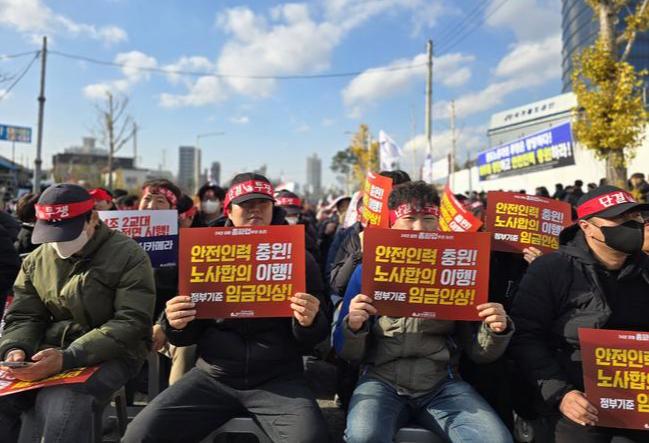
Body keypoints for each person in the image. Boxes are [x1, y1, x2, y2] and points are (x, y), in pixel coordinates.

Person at [124, 173, 330, 443]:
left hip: (280, 380)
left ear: (273, 208)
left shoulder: (300, 257)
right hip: (213, 376)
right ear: (229, 211)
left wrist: (310, 321)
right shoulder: (203, 252)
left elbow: (317, 337)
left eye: (263, 204)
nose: (255, 210)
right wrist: (176, 323)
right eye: (246, 204)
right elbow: (187, 335)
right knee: (138, 435)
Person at [333, 181, 514, 443]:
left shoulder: (460, 269)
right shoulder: (367, 270)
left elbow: (479, 353)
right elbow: (346, 351)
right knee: (363, 436)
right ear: (392, 223)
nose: (419, 228)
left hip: (442, 384)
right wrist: (353, 327)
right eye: (409, 219)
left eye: (428, 219)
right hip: (380, 381)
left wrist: (495, 330)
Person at [0, 184, 155, 442]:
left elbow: (131, 321)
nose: (59, 243)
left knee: (62, 403)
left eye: (67, 233)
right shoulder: (37, 260)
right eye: (52, 235)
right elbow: (25, 315)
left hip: (113, 353)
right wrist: (16, 349)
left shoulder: (128, 255)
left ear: (92, 219)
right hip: (47, 352)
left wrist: (68, 358)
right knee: (5, 398)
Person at [510, 185, 649, 443]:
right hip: (576, 400)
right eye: (619, 218)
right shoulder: (551, 269)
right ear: (587, 227)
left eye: (636, 216)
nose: (632, 225)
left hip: (638, 397)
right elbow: (525, 336)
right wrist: (561, 394)